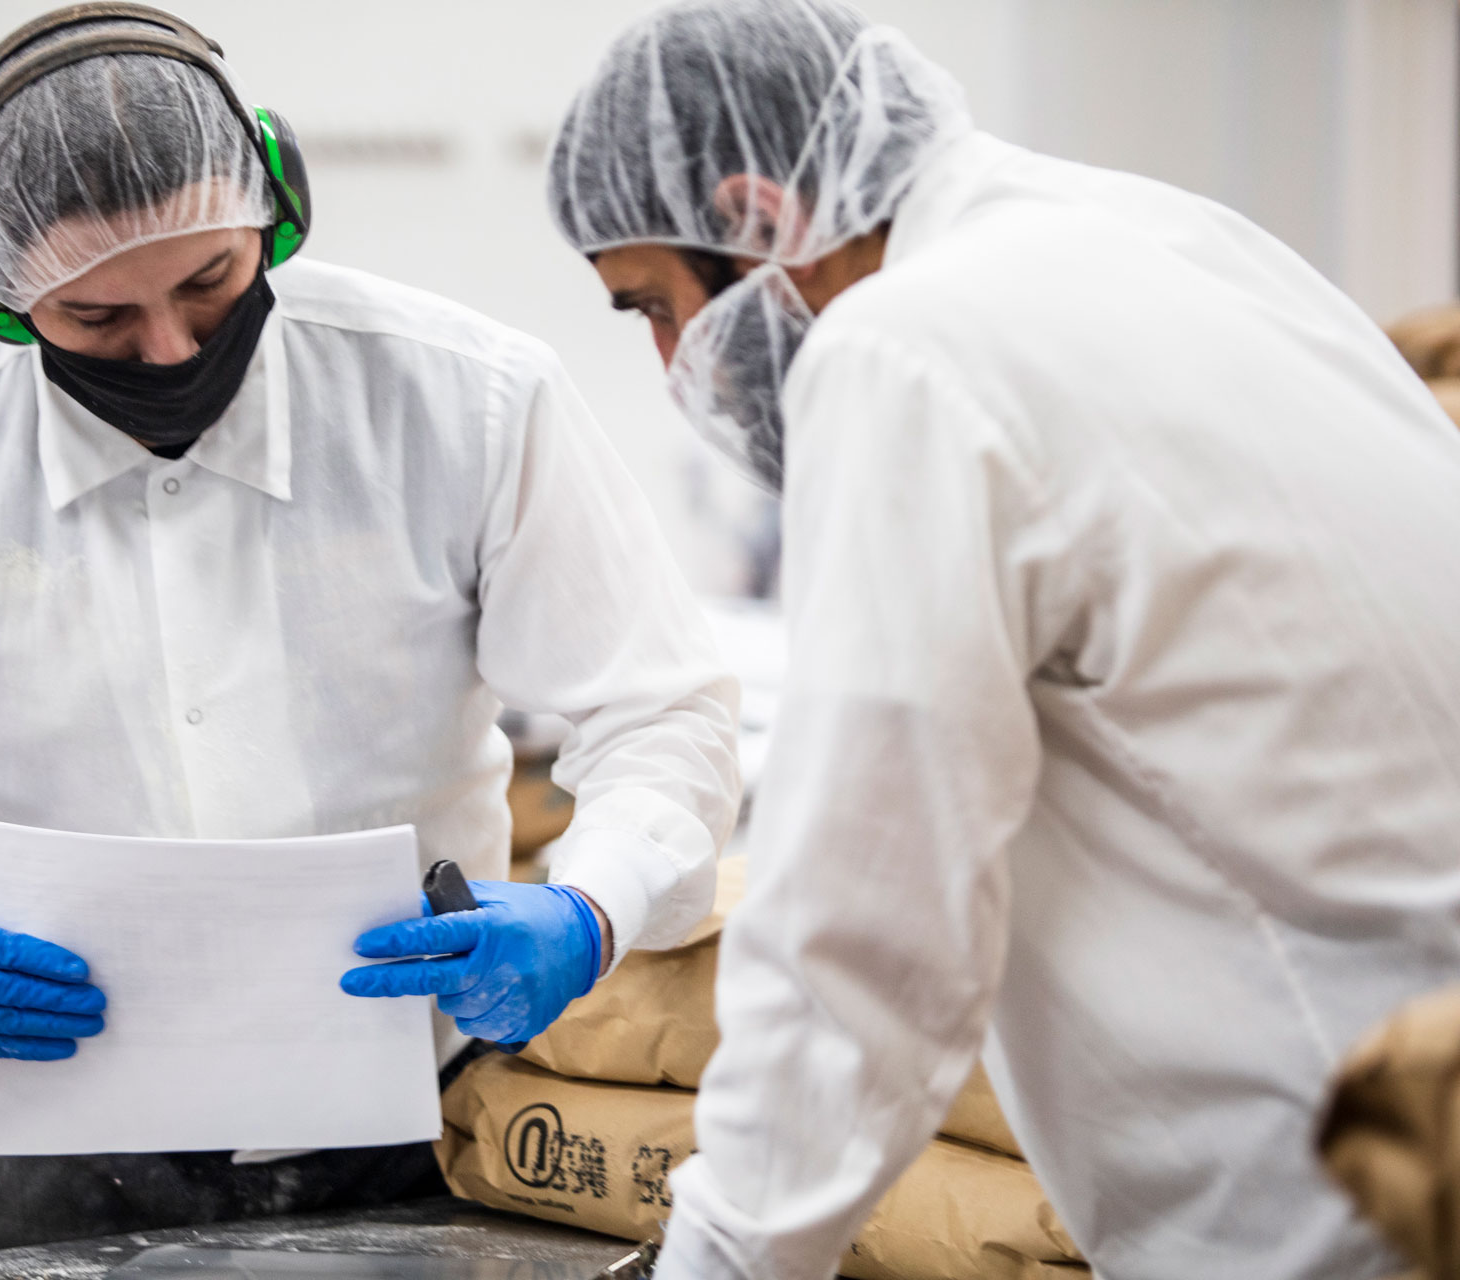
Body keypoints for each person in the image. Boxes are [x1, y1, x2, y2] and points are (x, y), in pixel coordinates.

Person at [0, 5, 741, 1265]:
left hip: (421, 1138)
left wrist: (589, 906)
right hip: (26, 1160)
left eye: (211, 282)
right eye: (97, 319)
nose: (173, 347)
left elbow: (666, 716)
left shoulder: (467, 400)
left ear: (276, 207)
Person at [545, 2, 1460, 1277]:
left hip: (1317, 1188)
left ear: (758, 220)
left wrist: (722, 1257)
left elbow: (859, 935)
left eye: (653, 307)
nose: (669, 366)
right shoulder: (1165, 233)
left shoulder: (906, 350)